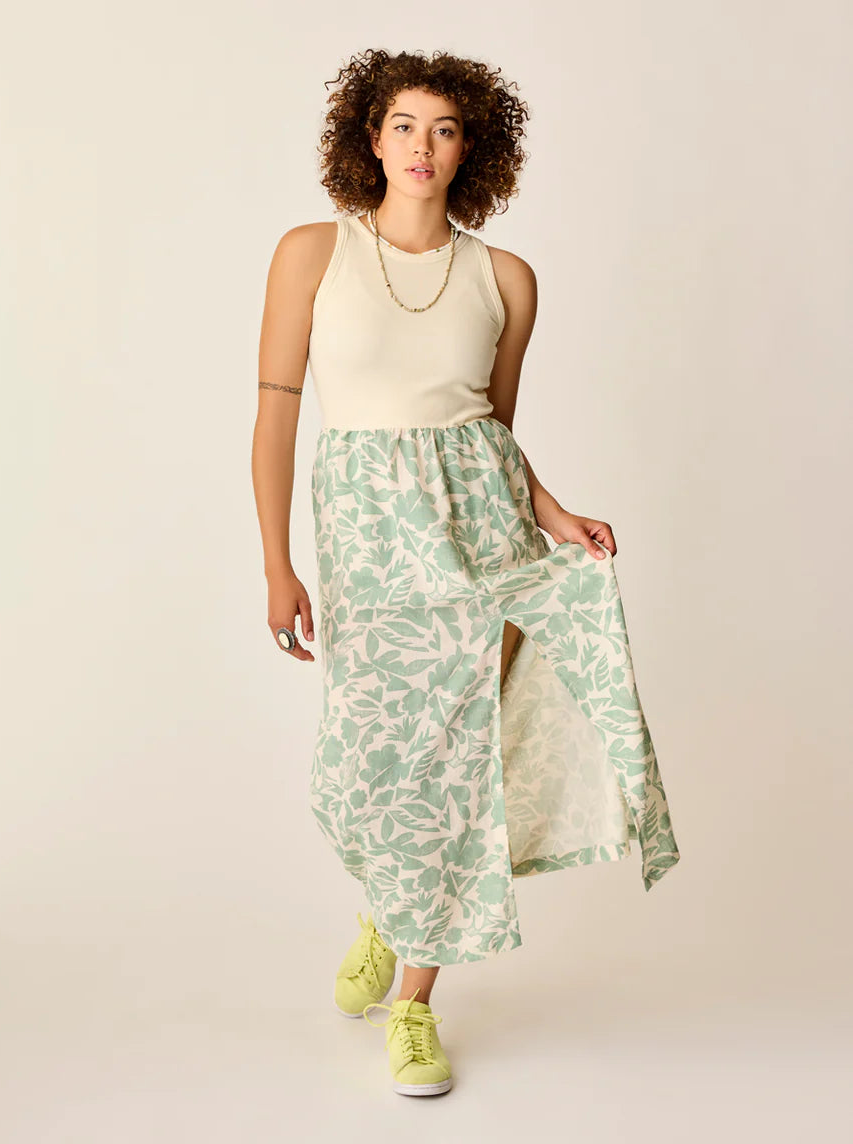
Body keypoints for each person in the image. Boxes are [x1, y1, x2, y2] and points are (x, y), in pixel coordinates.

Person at [251, 48, 680, 1098]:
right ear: (369, 138)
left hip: (485, 544)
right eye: (404, 124)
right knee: (373, 761)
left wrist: (555, 514)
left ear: (469, 149)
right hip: (369, 544)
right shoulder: (311, 253)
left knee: (455, 769)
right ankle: (386, 910)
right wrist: (276, 563)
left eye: (444, 129)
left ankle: (413, 1001)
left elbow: (486, 431)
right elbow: (276, 417)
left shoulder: (506, 279)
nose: (422, 146)